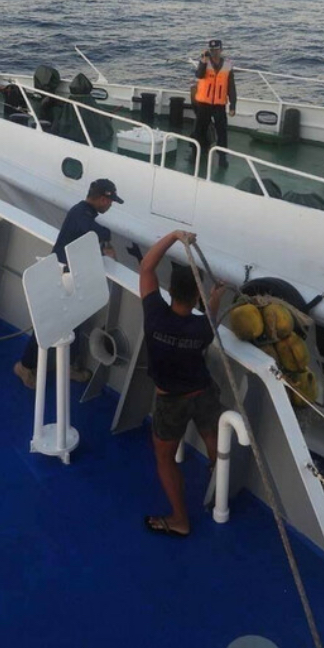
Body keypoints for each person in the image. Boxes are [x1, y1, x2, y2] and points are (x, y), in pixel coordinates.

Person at [139, 229, 227, 538]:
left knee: (165, 459)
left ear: (169, 290)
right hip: (202, 392)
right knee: (211, 435)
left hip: (170, 401)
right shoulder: (202, 329)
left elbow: (147, 267)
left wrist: (174, 236)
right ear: (197, 297)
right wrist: (215, 298)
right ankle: (217, 476)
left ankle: (180, 519)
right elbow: (210, 318)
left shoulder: (154, 315)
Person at [13, 178, 123, 388]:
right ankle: (24, 366)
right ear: (102, 199)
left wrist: (102, 248)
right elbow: (92, 230)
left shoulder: (84, 213)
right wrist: (107, 238)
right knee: (48, 324)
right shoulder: (81, 212)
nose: (110, 205)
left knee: (76, 321)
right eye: (110, 202)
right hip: (61, 277)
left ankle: (69, 367)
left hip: (73, 277)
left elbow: (83, 239)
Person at [193, 39, 237, 168]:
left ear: (221, 50)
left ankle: (222, 157)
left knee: (222, 132)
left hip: (219, 105)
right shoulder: (204, 63)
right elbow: (199, 75)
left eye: (216, 50)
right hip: (204, 104)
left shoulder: (227, 66)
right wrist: (203, 62)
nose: (214, 52)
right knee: (199, 130)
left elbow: (231, 87)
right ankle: (196, 153)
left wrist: (233, 105)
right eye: (212, 50)